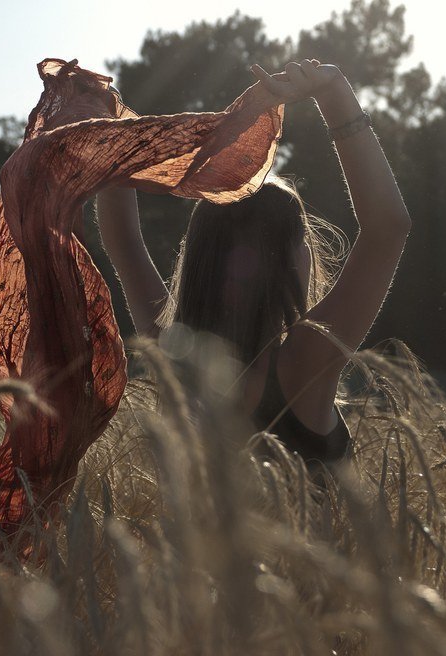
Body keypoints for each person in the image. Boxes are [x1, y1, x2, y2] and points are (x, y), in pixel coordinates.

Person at [95, 59, 411, 471]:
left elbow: (124, 242)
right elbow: (387, 228)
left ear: (199, 258)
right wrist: (333, 91)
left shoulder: (174, 356)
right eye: (302, 238)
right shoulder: (302, 365)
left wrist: (110, 137)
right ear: (286, 260)